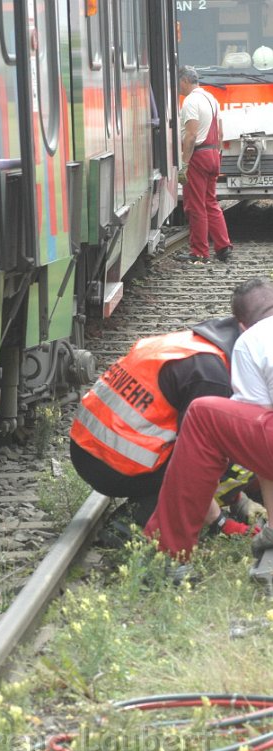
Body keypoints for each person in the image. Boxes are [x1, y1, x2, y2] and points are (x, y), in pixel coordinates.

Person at [70, 315, 252, 533]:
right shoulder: (212, 377)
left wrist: (237, 499)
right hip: (115, 468)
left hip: (83, 450)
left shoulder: (194, 345)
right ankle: (137, 520)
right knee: (245, 448)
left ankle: (224, 502)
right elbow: (193, 464)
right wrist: (220, 523)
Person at [144, 277, 273, 561]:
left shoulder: (250, 340)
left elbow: (257, 435)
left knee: (203, 416)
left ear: (241, 326)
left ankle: (168, 553)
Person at [175, 65, 233, 265]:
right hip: (213, 154)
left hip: (198, 156)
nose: (178, 88)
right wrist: (217, 154)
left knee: (195, 205)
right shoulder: (212, 99)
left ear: (184, 80)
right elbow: (221, 132)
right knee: (211, 202)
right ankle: (223, 246)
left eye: (178, 83)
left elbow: (190, 135)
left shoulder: (190, 101)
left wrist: (184, 163)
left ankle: (199, 252)